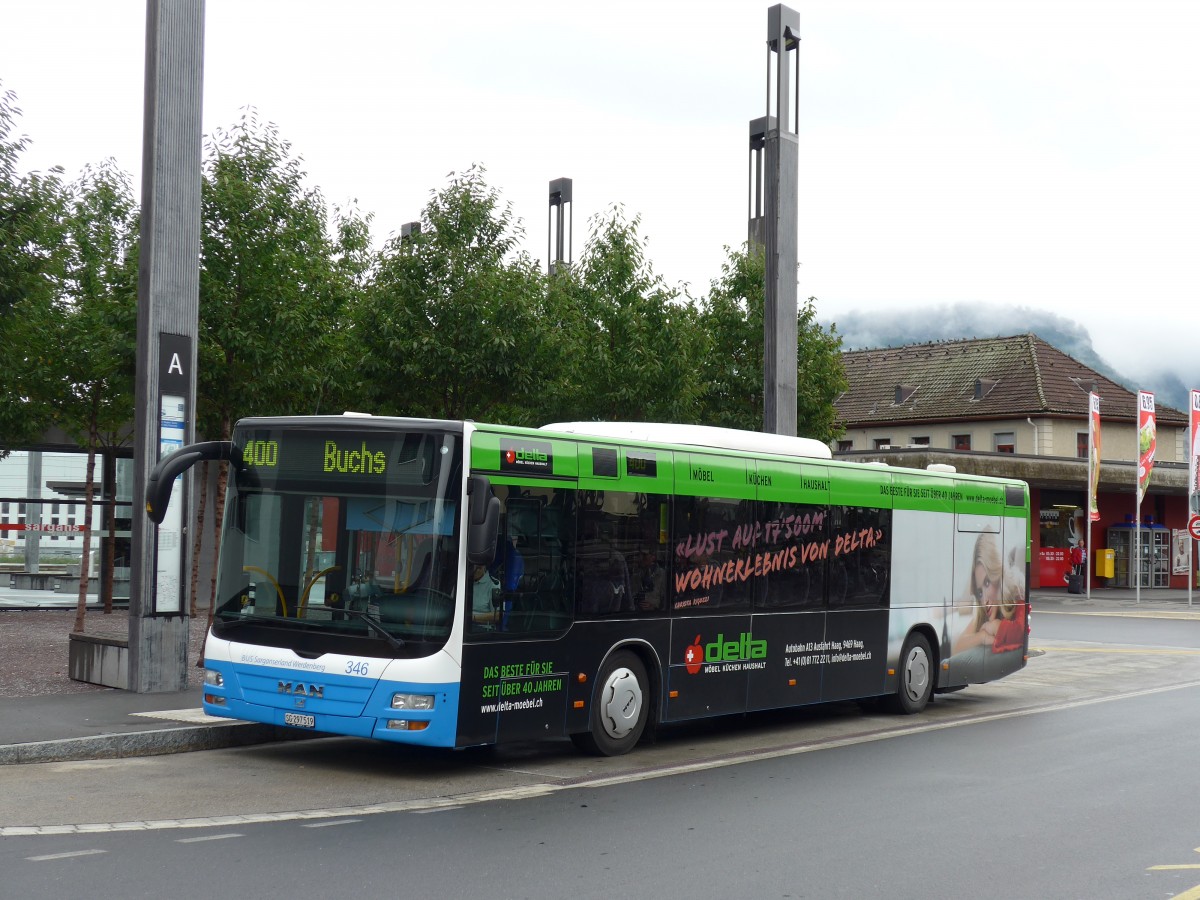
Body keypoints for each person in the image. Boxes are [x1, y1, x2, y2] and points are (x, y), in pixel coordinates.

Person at [635, 546, 666, 611]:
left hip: (655, 613)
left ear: (653, 557)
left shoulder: (661, 574)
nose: (641, 558)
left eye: (644, 555)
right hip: (637, 612)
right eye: (640, 555)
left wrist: (653, 606)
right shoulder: (637, 573)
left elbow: (665, 598)